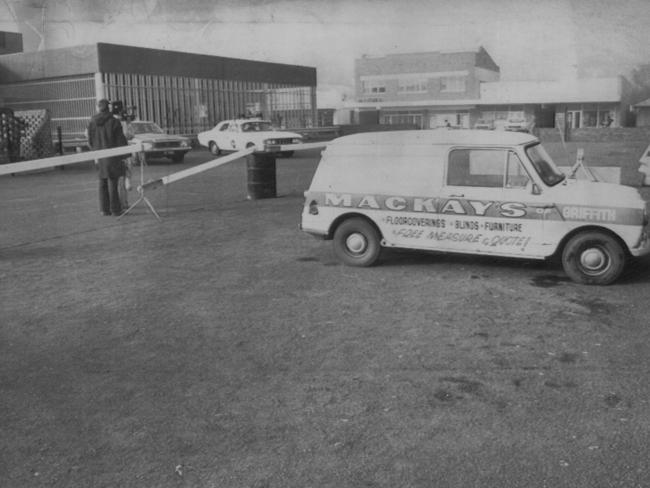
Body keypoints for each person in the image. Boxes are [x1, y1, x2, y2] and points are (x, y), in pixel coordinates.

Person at [87, 99, 128, 216]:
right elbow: (120, 140)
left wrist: (95, 151)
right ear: (108, 108)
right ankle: (116, 209)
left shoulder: (92, 121)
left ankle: (104, 209)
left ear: (98, 107)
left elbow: (90, 140)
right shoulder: (114, 121)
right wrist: (125, 155)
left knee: (102, 182)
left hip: (99, 156)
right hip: (112, 156)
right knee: (112, 182)